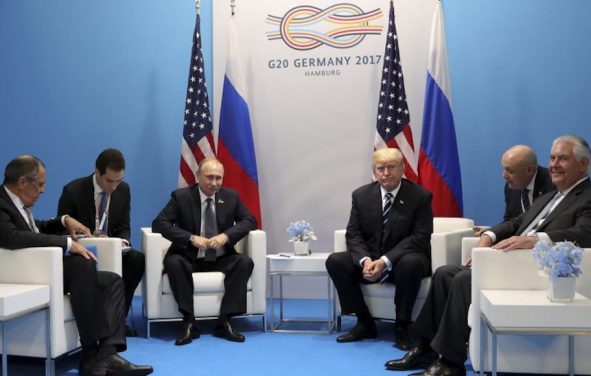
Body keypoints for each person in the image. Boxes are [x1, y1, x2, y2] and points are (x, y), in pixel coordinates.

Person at [385, 135, 591, 376]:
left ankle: (450, 364)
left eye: (563, 159)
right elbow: (516, 222)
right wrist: (489, 236)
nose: (554, 164)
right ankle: (425, 350)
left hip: (539, 274)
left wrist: (533, 239)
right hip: (509, 263)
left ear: (583, 164)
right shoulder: (550, 197)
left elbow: (584, 233)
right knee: (444, 273)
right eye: (553, 157)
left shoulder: (586, 196)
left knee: (463, 280)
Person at [0, 155, 152, 376]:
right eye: (40, 184)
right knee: (82, 264)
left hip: (43, 266)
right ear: (23, 182)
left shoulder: (18, 202)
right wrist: (67, 243)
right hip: (30, 273)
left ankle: (105, 354)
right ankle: (92, 354)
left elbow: (34, 229)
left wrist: (63, 221)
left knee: (112, 280)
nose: (43, 190)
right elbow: (11, 237)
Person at [325, 148, 433, 350]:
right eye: (380, 168)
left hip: (403, 259)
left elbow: (419, 237)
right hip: (371, 259)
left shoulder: (420, 196)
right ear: (374, 171)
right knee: (336, 261)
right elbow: (353, 234)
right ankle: (364, 321)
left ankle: (402, 325)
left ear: (402, 169)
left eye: (391, 167)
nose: (386, 173)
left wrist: (385, 261)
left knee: (412, 263)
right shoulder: (361, 195)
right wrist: (365, 261)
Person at [152, 158, 257, 345]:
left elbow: (250, 221)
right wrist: (191, 238)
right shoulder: (181, 197)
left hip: (220, 257)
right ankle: (189, 321)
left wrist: (225, 236)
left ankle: (225, 320)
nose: (214, 183)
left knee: (244, 262)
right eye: (209, 177)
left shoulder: (231, 196)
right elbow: (159, 224)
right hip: (188, 256)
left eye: (219, 178)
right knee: (174, 263)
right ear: (198, 176)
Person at [57, 148, 145, 337]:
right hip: (85, 250)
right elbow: (62, 229)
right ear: (97, 173)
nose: (114, 186)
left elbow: (124, 226)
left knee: (137, 260)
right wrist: (88, 239)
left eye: (119, 181)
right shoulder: (73, 190)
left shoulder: (124, 189)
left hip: (113, 248)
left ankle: (118, 319)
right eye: (110, 181)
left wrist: (121, 242)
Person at [500, 144, 554, 221]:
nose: (504, 175)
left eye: (510, 171)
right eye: (504, 169)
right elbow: (509, 221)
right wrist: (490, 232)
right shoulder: (511, 186)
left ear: (529, 170)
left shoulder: (553, 184)